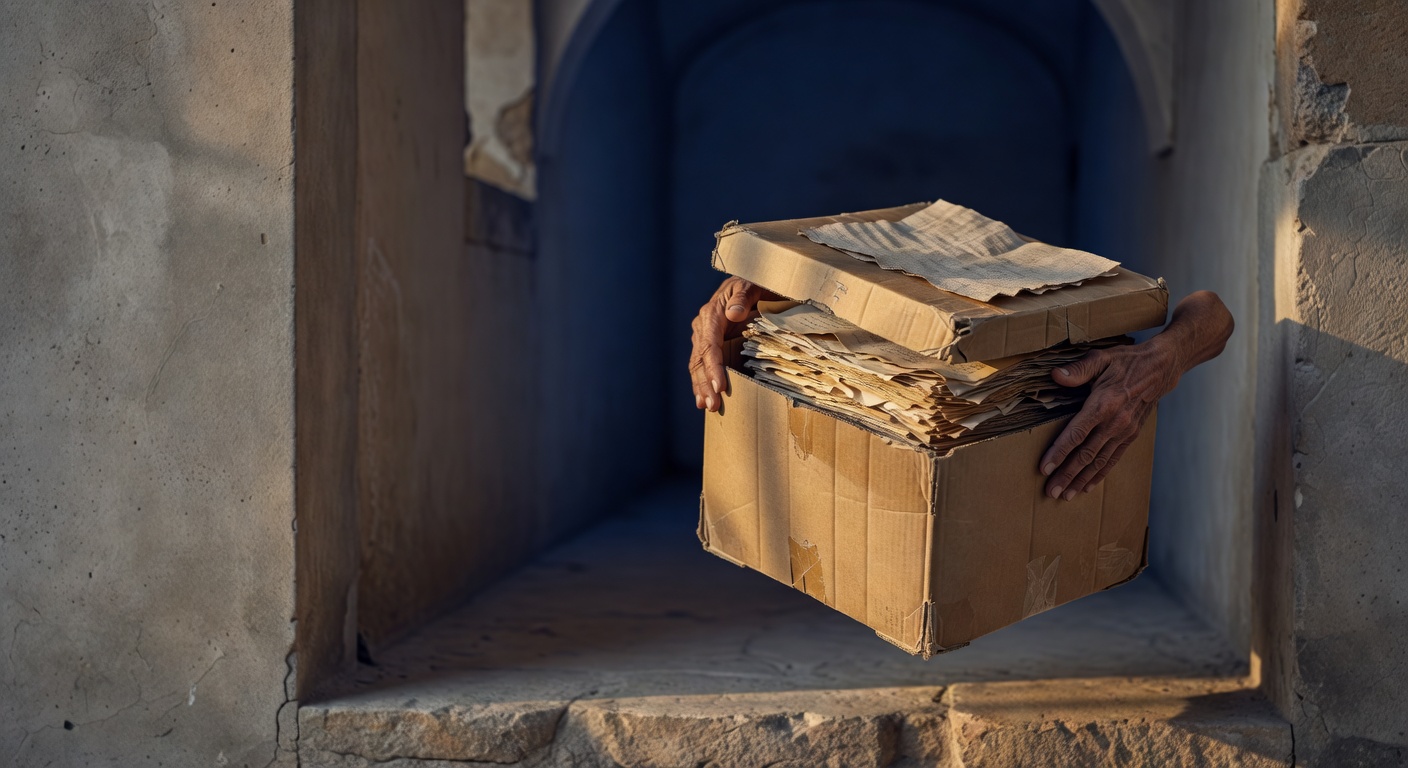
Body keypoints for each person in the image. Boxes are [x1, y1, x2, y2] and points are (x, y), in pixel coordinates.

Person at [689, 276, 1233, 500]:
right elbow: (768, 281)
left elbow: (1214, 314)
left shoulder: (1074, 284)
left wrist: (1160, 361)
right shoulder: (866, 266)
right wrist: (736, 303)